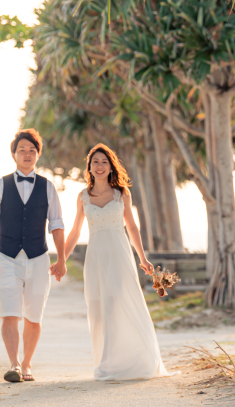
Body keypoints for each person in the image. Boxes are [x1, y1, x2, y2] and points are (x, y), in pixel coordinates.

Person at [64, 143, 169, 381]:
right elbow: (75, 232)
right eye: (95, 162)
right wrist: (62, 259)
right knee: (98, 310)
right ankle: (105, 360)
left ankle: (115, 364)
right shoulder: (83, 196)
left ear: (111, 166)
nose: (100, 166)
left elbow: (132, 226)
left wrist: (143, 258)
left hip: (119, 256)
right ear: (89, 167)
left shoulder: (121, 193)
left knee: (115, 306)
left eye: (104, 162)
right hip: (96, 258)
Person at [0, 129, 67, 383]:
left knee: (33, 316)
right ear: (14, 154)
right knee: (9, 313)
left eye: (32, 150)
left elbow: (57, 224)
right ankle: (14, 364)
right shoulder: (0, 186)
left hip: (39, 259)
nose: (27, 154)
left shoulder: (48, 187)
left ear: (38, 154)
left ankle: (27, 363)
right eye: (22, 150)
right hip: (6, 258)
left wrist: (61, 259)